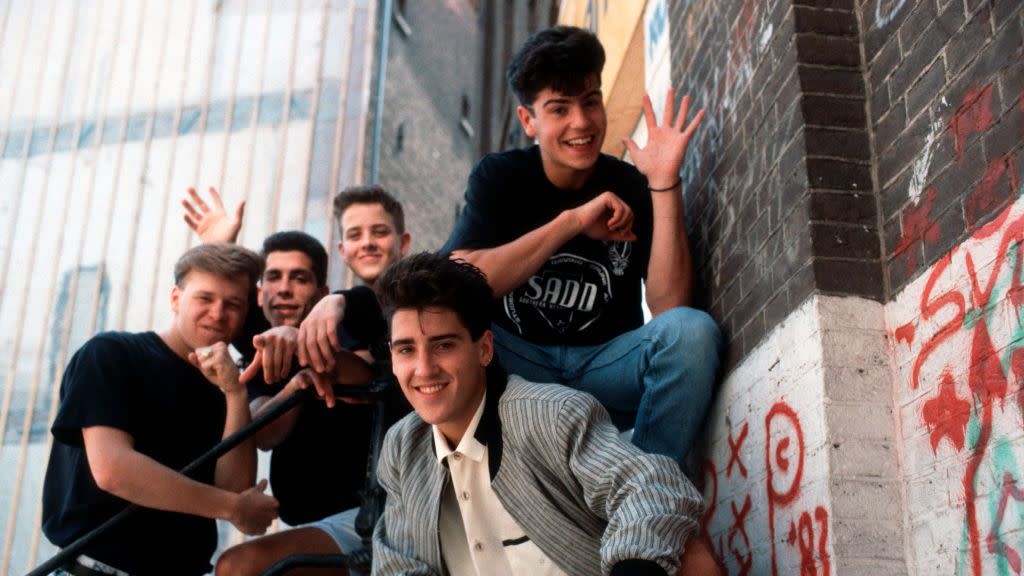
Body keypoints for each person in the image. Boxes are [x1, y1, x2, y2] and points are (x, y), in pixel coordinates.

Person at [441, 26, 722, 466]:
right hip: (519, 367)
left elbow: (671, 310)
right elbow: (458, 279)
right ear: (528, 120)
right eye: (559, 108)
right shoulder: (501, 177)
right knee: (446, 337)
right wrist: (571, 222)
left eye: (590, 101)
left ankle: (645, 491)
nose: (582, 122)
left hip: (604, 367)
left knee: (693, 332)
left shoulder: (629, 184)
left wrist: (663, 185)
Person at [370, 252, 719, 575]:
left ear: (485, 349)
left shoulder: (549, 415)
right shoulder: (402, 447)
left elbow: (649, 483)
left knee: (690, 559)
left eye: (444, 345)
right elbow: (397, 561)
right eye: (406, 350)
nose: (424, 369)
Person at [41, 243, 279, 576]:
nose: (217, 313)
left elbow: (234, 490)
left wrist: (236, 393)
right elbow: (114, 470)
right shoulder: (111, 353)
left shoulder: (224, 389)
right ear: (175, 299)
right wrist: (232, 508)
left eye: (233, 304)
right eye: (204, 298)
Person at [209, 185, 411, 576]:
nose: (284, 287)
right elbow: (264, 432)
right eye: (274, 278)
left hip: (373, 516)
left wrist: (306, 346)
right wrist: (225, 250)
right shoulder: (261, 347)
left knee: (238, 567)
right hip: (302, 521)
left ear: (321, 293)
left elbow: (361, 342)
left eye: (299, 278)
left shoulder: (355, 323)